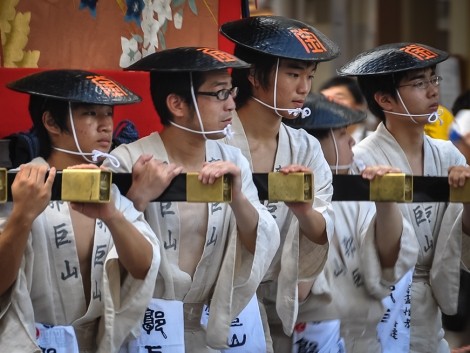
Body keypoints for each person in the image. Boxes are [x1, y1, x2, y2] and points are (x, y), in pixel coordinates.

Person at [104, 47, 280, 352]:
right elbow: (103, 248)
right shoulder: (127, 161)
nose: (231, 104)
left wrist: (236, 195)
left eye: (231, 92)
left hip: (211, 324)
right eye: (219, 94)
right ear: (177, 104)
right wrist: (138, 197)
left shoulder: (232, 159)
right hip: (148, 324)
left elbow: (261, 241)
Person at [0, 69, 160, 353]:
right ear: (50, 121)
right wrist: (22, 216)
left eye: (108, 113)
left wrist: (112, 215)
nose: (106, 125)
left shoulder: (106, 188)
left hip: (101, 341)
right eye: (90, 113)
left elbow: (144, 267)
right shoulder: (19, 185)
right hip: (36, 341)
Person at [338, 42, 470, 352]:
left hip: (429, 305)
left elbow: (463, 241)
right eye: (419, 83)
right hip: (379, 303)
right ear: (385, 99)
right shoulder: (361, 160)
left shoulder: (449, 154)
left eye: (433, 79)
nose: (433, 91)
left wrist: (467, 198)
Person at [219, 16, 337, 351]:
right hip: (219, 297)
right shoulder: (218, 142)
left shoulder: (306, 147)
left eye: (309, 76)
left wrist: (302, 209)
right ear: (254, 75)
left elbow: (322, 228)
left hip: (279, 296)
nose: (304, 88)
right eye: (294, 74)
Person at [283, 93, 418, 352]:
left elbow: (391, 262)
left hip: (363, 335)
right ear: (310, 143)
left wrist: (385, 201)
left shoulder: (359, 179)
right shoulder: (281, 189)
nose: (352, 141)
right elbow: (296, 291)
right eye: (343, 134)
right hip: (297, 333)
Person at [318, 76, 375, 142]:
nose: (330, 104)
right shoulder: (315, 143)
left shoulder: (374, 142)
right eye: (325, 99)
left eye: (338, 98)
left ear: (359, 105)